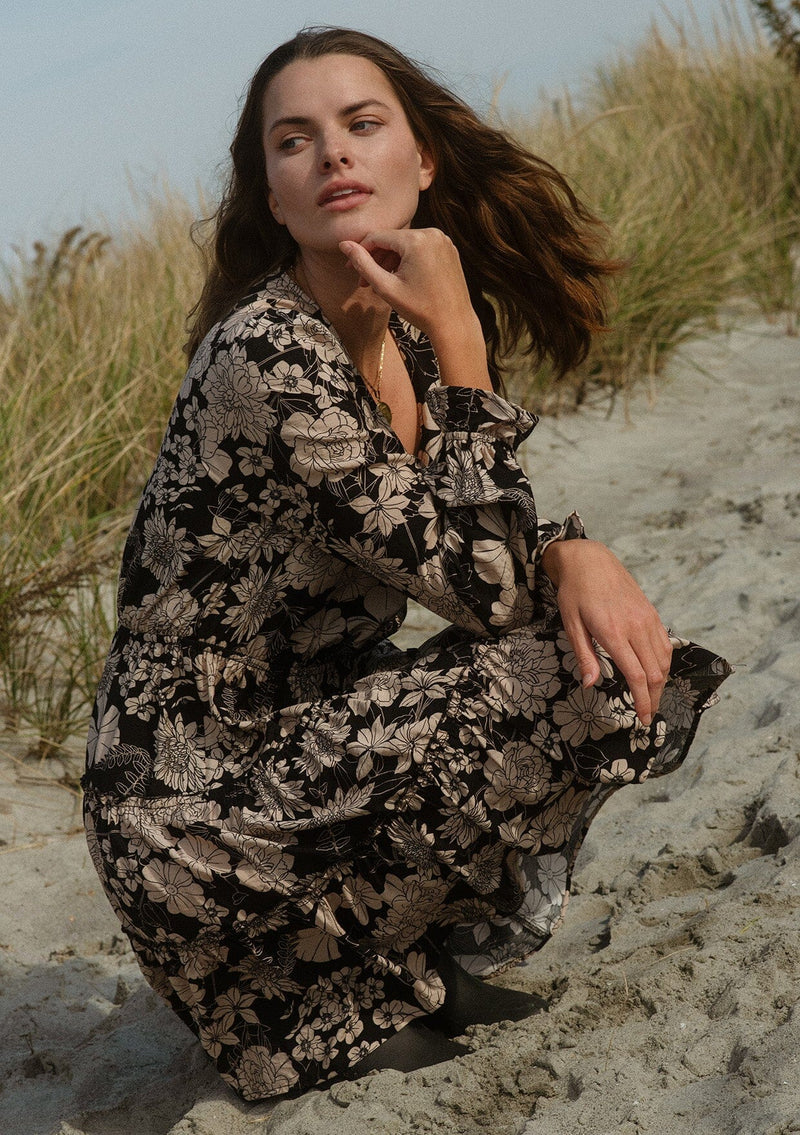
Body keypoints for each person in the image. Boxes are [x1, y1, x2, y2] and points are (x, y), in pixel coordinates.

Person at [81, 27, 731, 1102]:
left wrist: (573, 549)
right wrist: (467, 337)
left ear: (419, 159)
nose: (332, 154)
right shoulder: (268, 353)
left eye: (360, 124)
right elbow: (477, 591)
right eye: (294, 142)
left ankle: (396, 966)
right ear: (274, 199)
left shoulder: (401, 340)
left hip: (295, 751)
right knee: (555, 674)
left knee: (583, 652)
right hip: (190, 815)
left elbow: (483, 556)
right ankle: (312, 1001)